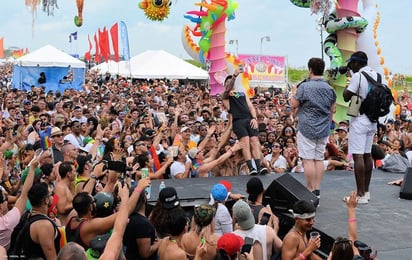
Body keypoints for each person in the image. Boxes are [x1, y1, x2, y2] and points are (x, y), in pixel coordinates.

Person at [291, 57, 337, 199]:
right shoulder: (329, 89)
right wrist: (328, 126)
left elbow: (293, 104)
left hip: (307, 127)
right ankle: (317, 188)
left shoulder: (305, 87)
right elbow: (333, 109)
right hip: (323, 128)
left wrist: (293, 91)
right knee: (318, 159)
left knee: (308, 160)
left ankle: (310, 188)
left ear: (310, 69)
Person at [343, 51, 379, 204]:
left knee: (358, 156)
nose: (351, 66)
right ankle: (367, 192)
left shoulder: (357, 76)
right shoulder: (377, 75)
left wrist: (349, 81)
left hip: (360, 119)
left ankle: (360, 195)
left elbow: (346, 96)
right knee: (367, 155)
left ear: (357, 63)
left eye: (352, 63)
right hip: (373, 119)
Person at [222, 70, 268, 175]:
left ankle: (259, 166)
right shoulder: (225, 96)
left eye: (232, 82)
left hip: (249, 120)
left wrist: (254, 118)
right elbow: (228, 89)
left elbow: (251, 107)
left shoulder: (242, 94)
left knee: (254, 142)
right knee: (245, 143)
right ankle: (251, 168)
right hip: (238, 121)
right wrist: (234, 76)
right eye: (228, 83)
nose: (230, 84)